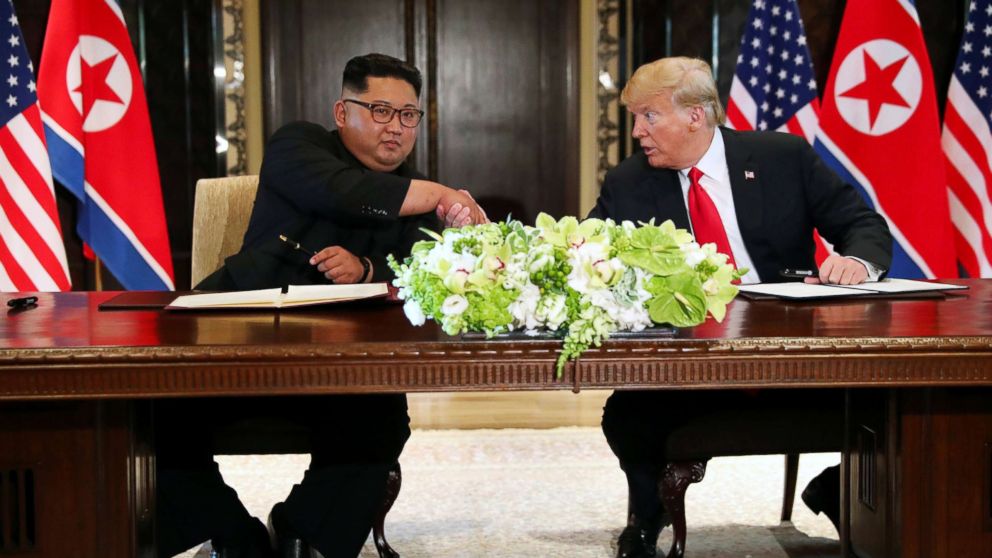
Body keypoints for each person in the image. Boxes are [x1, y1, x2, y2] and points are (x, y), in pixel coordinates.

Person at [156, 53, 485, 558]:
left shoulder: (411, 194)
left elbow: (416, 269)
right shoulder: (298, 144)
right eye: (379, 110)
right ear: (341, 112)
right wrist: (443, 194)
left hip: (338, 361)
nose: (396, 128)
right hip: (237, 338)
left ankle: (303, 530)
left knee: (382, 421)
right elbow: (344, 193)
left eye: (408, 115)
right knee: (146, 416)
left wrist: (368, 268)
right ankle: (231, 534)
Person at [587, 56, 892, 558]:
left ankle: (840, 489)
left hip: (792, 350)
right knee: (627, 413)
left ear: (695, 115)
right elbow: (590, 251)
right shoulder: (629, 182)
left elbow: (863, 225)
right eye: (635, 117)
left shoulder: (782, 157)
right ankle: (647, 517)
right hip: (690, 359)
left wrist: (856, 262)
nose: (638, 131)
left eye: (649, 116)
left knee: (896, 401)